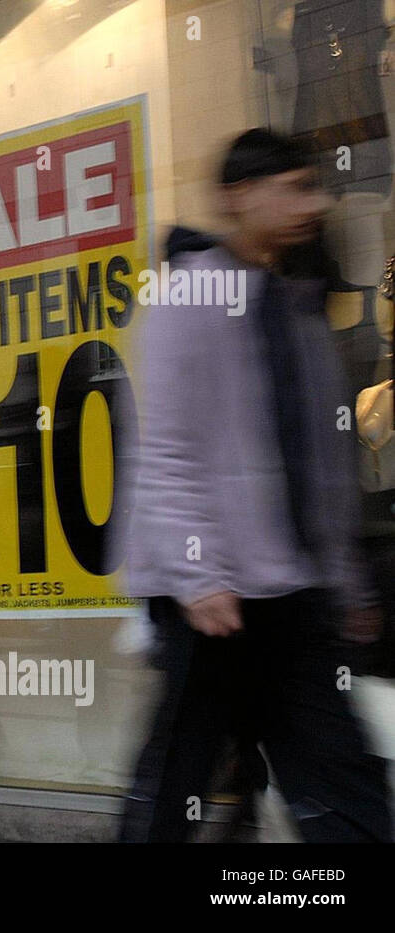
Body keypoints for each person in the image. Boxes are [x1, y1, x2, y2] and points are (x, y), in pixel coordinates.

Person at [116, 128, 393, 842]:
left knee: (340, 777)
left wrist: (346, 580)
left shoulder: (296, 304)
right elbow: (166, 450)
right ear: (238, 197)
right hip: (215, 599)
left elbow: (320, 463)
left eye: (314, 185)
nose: (315, 201)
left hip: (292, 594)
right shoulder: (189, 300)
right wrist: (197, 573)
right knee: (178, 777)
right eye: (295, 187)